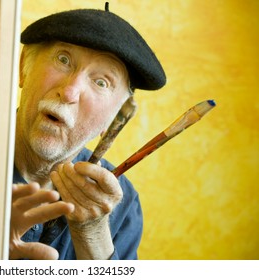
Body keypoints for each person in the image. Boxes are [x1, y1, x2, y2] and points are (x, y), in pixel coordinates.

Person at [9, 3, 166, 260]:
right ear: (24, 65)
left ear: (115, 119)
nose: (69, 92)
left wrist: (92, 234)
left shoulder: (122, 206)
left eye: (101, 82)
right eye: (63, 59)